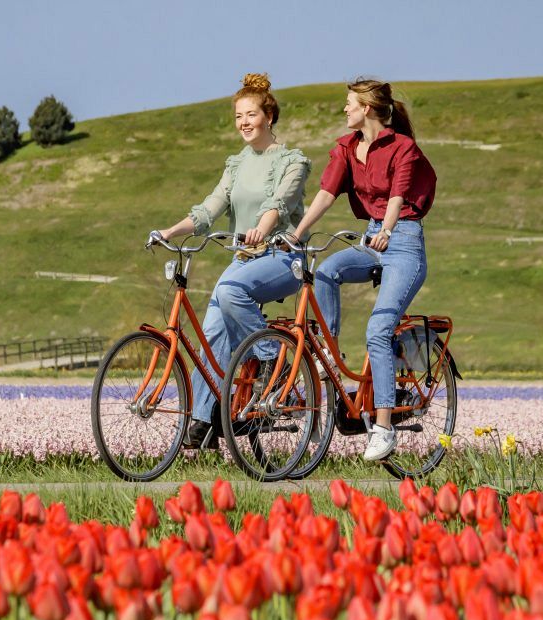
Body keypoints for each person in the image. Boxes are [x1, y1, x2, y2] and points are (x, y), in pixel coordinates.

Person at [153, 73, 311, 449]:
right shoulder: (236, 164)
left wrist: (261, 228)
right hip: (244, 257)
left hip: (283, 257)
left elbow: (279, 204)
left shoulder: (293, 161)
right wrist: (170, 231)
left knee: (229, 290)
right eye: (239, 115)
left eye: (251, 114)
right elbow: (210, 207)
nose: (244, 122)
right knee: (211, 332)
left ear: (268, 116)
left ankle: (273, 361)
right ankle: (205, 422)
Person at [290, 78, 437, 461]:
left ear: (367, 108)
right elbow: (325, 194)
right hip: (371, 239)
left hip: (402, 243)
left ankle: (384, 428)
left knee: (378, 328)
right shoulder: (346, 147)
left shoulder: (403, 147)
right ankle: (329, 356)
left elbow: (398, 195)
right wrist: (298, 234)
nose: (345, 110)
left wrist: (387, 230)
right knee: (325, 272)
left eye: (350, 104)